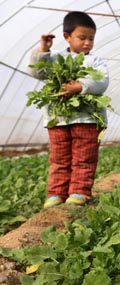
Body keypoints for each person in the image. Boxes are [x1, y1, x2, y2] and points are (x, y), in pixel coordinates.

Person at [29, 11, 109, 208]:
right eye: (82, 38)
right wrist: (43, 50)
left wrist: (80, 87)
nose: (87, 43)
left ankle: (79, 192)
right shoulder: (55, 59)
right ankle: (56, 193)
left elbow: (102, 82)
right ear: (67, 37)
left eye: (91, 38)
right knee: (59, 158)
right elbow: (37, 71)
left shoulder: (95, 61)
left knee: (84, 157)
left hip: (87, 119)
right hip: (58, 118)